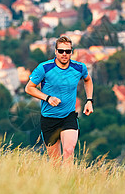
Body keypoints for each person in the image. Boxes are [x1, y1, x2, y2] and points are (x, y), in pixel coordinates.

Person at [25, 36, 93, 166]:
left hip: (69, 116)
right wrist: (47, 98)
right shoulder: (44, 68)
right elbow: (29, 88)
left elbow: (88, 80)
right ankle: (58, 184)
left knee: (68, 151)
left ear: (71, 52)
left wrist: (89, 100)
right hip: (49, 119)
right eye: (61, 51)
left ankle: (69, 183)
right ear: (56, 51)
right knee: (55, 163)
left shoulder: (79, 68)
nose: (64, 54)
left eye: (67, 51)